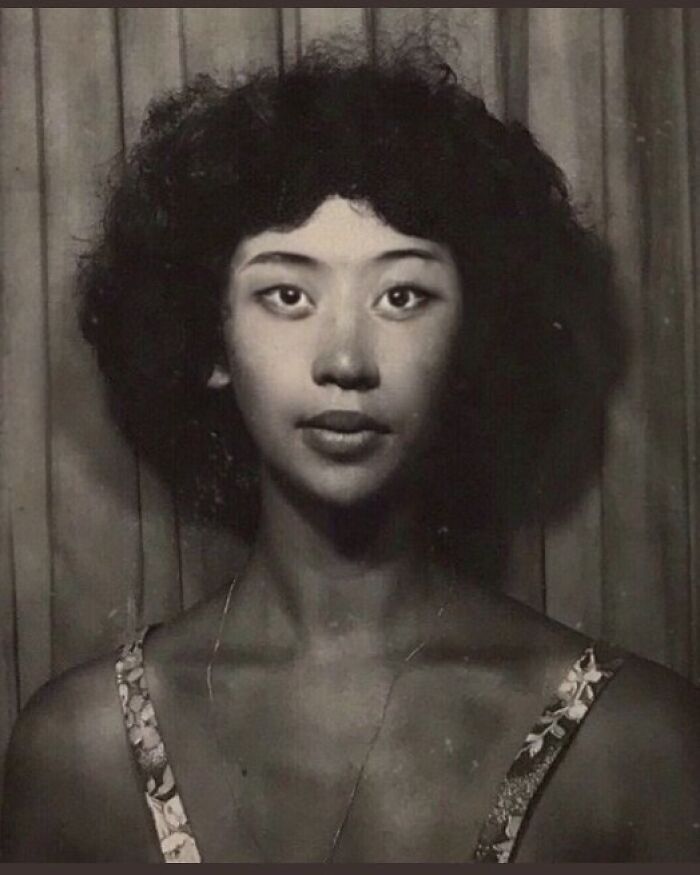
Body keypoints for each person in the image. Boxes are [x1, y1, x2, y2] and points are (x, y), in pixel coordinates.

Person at [2, 43, 699, 864]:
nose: (345, 359)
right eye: (287, 294)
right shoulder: (77, 752)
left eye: (401, 296)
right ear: (208, 340)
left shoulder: (638, 747)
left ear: (472, 338)